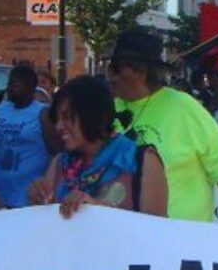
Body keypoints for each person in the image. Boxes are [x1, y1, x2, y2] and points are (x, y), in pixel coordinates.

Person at [109, 30, 218, 224]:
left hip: (182, 240)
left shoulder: (185, 107)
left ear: (139, 71)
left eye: (115, 68)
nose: (110, 75)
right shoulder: (107, 110)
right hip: (125, 237)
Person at [29, 76, 167, 218]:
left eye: (67, 117)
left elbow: (155, 232)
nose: (58, 126)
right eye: (57, 119)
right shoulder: (59, 164)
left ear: (93, 115)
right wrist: (39, 201)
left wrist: (97, 209)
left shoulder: (143, 161)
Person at [0, 64, 58, 208]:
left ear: (32, 86)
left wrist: (46, 185)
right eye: (11, 83)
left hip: (26, 199)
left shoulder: (43, 113)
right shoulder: (2, 108)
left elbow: (56, 153)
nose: (14, 88)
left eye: (19, 84)